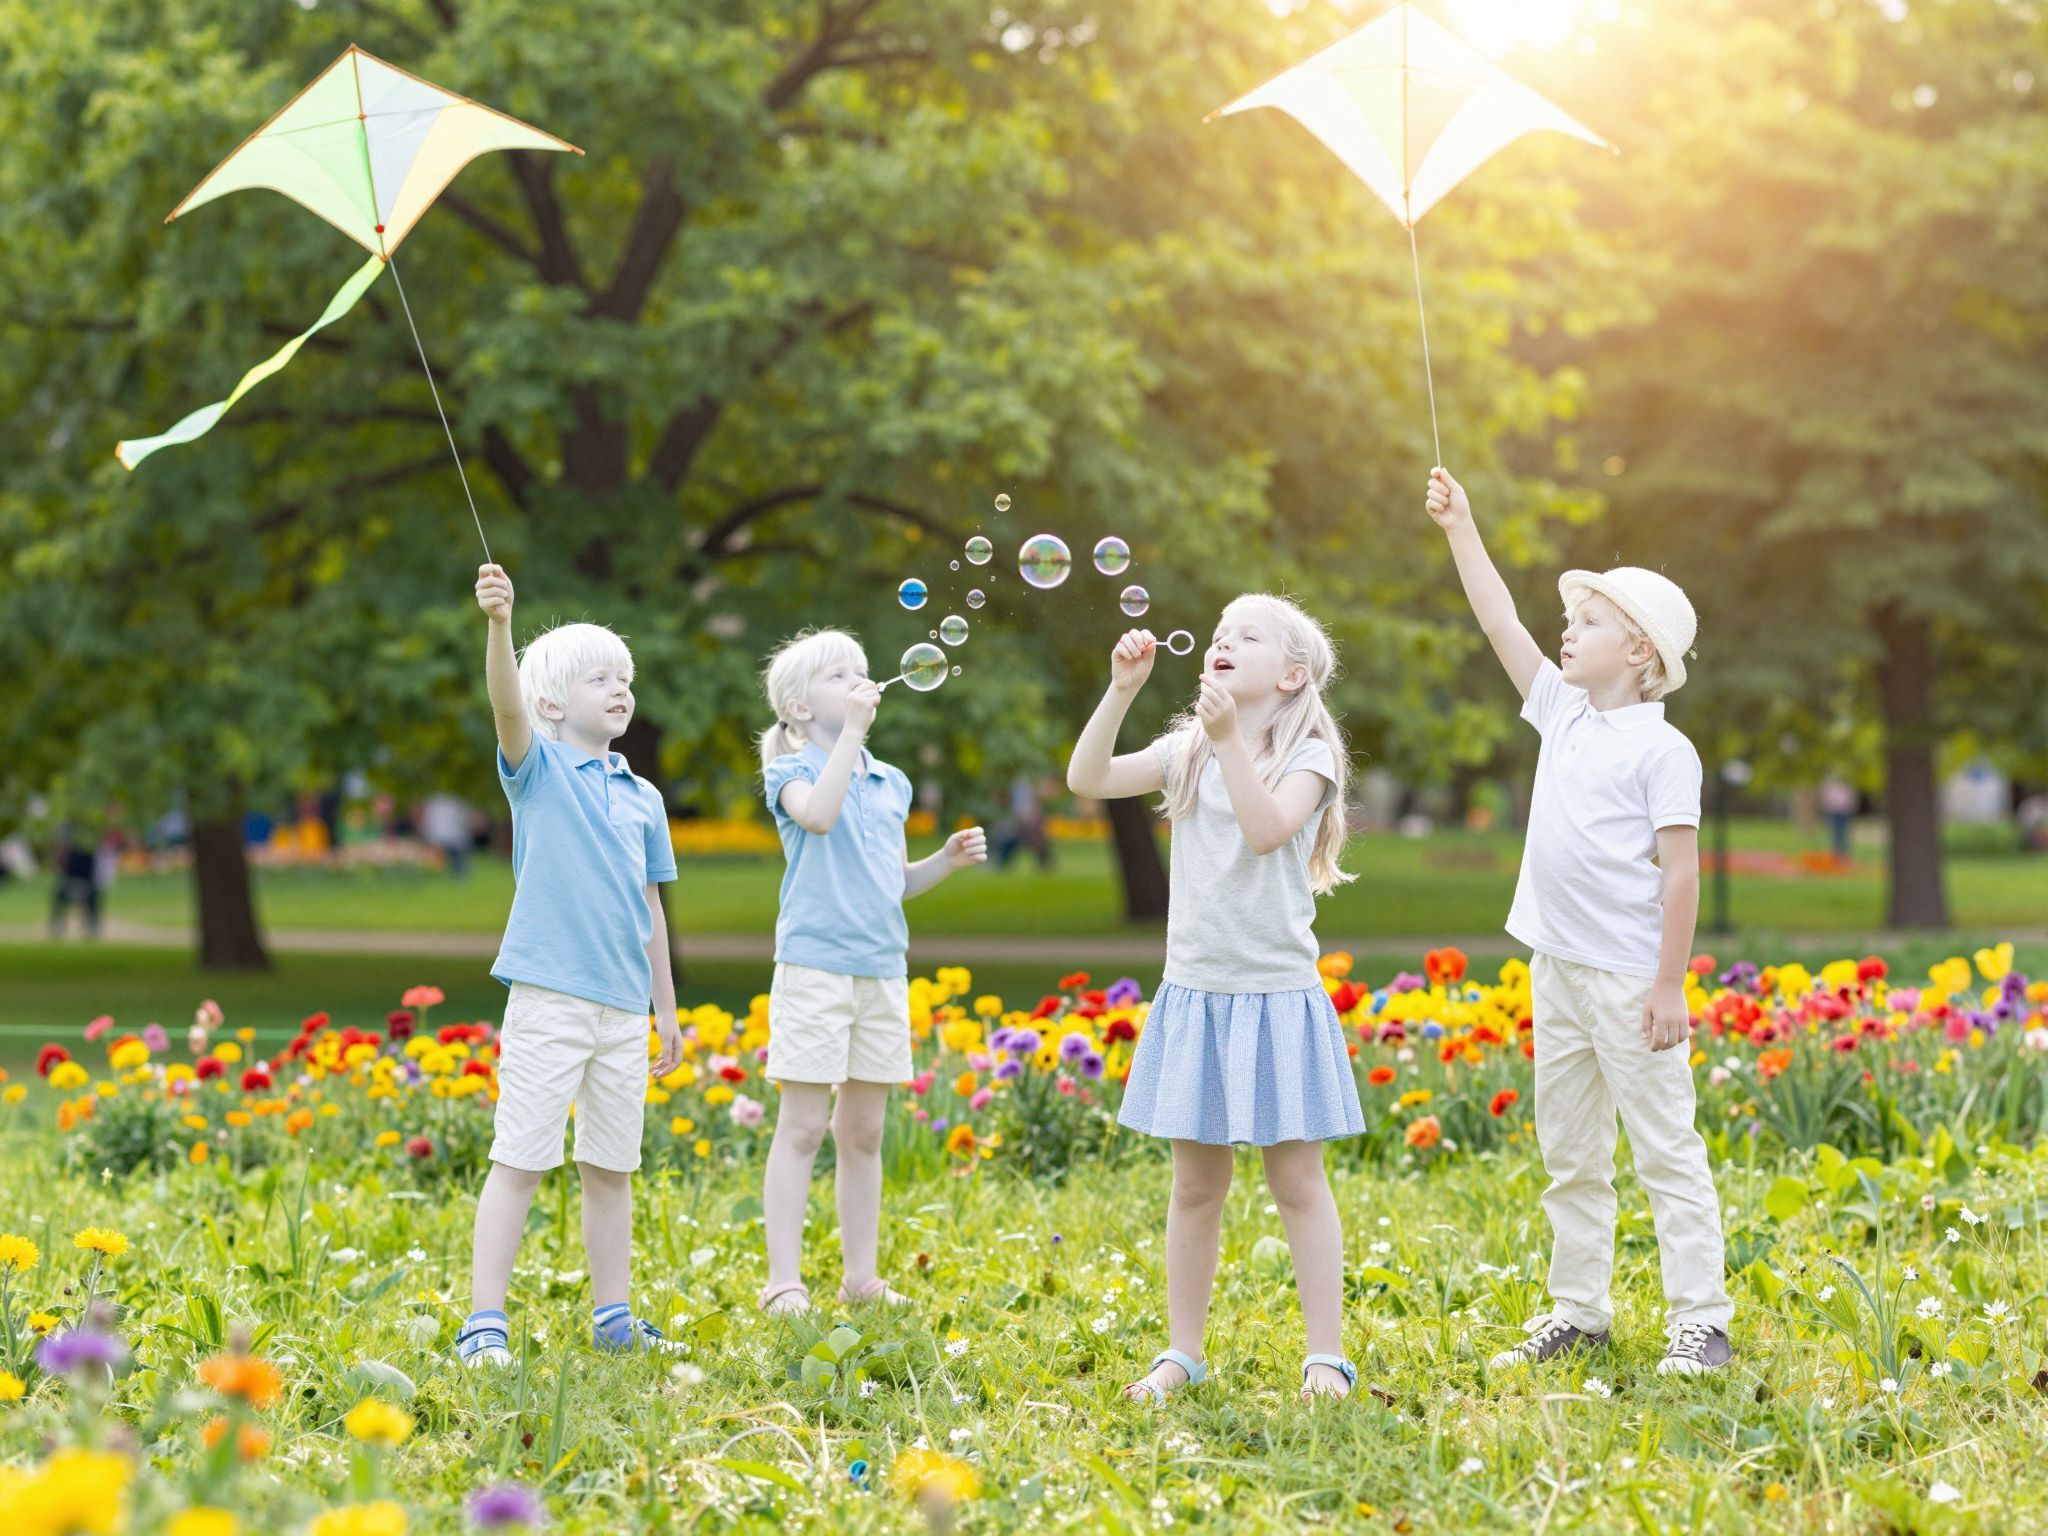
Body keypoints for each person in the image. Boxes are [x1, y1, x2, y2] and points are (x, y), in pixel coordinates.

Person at [1425, 468, 1732, 1377]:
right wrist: (1462, 529)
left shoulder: (1665, 749)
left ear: (1641, 653)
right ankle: (1579, 1312)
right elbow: (1498, 622)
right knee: (1571, 1151)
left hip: (1632, 980)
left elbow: (1682, 876)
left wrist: (1671, 984)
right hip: (1555, 966)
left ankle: (1701, 1321)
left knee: (1665, 1147)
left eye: (1591, 620)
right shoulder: (1559, 712)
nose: (1569, 627)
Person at [1067, 595, 1365, 1403]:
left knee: (1297, 1182)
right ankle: (1183, 1352)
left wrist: (1230, 740)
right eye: (1222, 632)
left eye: (1249, 635)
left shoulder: (1310, 756)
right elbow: (1087, 778)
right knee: (1196, 1185)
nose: (1225, 640)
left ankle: (1326, 1358)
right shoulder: (1191, 747)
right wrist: (1122, 690)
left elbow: (1269, 830)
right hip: (1197, 995)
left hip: (1276, 997)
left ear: (1292, 673)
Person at [455, 563, 685, 1367]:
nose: (620, 688)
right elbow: (505, 704)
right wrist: (499, 626)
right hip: (552, 998)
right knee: (520, 1160)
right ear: (553, 703)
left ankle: (614, 1316)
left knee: (611, 1168)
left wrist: (667, 1008)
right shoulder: (538, 772)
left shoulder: (643, 797)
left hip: (623, 1009)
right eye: (600, 678)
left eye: (625, 677)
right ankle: (485, 1323)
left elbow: (651, 908)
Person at [754, 630, 987, 1318]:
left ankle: (862, 1278)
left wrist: (942, 861)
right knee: (801, 1128)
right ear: (798, 707)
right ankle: (782, 1283)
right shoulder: (790, 772)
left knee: (862, 1133)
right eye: (838, 675)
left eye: (862, 669)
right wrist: (851, 735)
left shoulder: (890, 782)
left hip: (881, 972)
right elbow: (819, 819)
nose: (860, 681)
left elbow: (891, 883)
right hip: (815, 969)